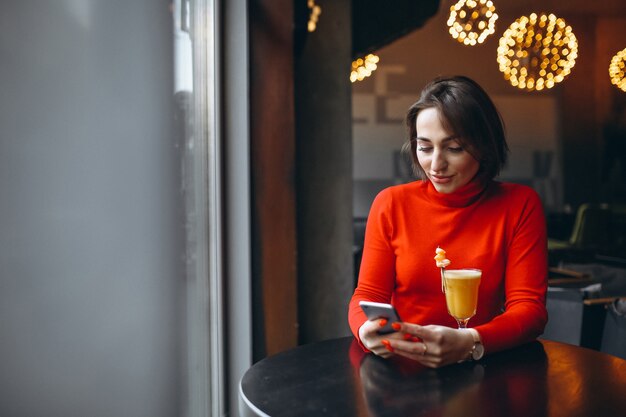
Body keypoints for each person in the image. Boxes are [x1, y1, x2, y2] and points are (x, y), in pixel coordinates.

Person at [348, 75, 548, 368]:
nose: (436, 164)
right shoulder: (391, 204)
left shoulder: (519, 204)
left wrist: (472, 341)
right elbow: (367, 296)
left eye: (454, 148)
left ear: (485, 146)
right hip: (403, 368)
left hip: (483, 367)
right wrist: (365, 330)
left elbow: (530, 310)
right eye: (425, 147)